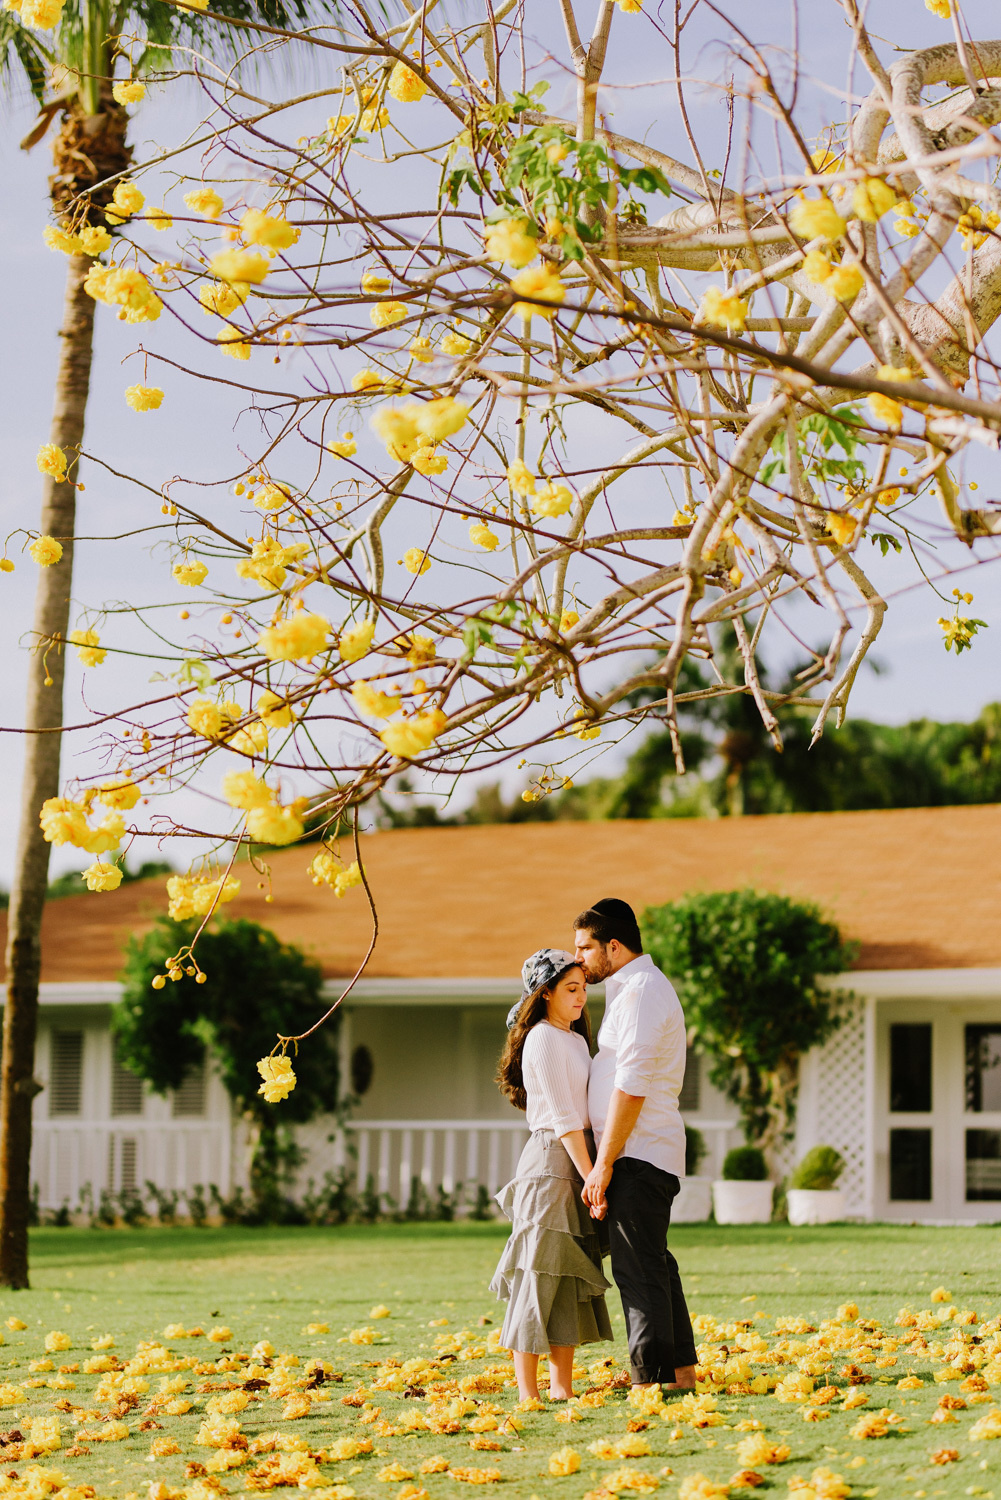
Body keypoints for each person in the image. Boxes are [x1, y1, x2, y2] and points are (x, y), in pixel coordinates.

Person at [574, 898, 697, 1394]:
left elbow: (633, 1084)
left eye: (585, 947)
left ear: (614, 946)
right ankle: (681, 1375)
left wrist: (604, 1162)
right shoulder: (630, 989)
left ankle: (651, 1382)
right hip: (636, 1151)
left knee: (637, 1269)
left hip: (638, 1152)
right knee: (654, 1263)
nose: (578, 957)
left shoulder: (643, 992)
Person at [491, 948, 612, 1402]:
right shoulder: (541, 1038)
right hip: (551, 1165)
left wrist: (594, 1173)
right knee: (537, 1275)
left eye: (583, 989)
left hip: (581, 1163)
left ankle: (562, 1389)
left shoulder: (577, 1041)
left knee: (570, 1278)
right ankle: (528, 1394)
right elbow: (562, 1117)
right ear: (545, 995)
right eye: (571, 989)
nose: (582, 998)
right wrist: (593, 1177)